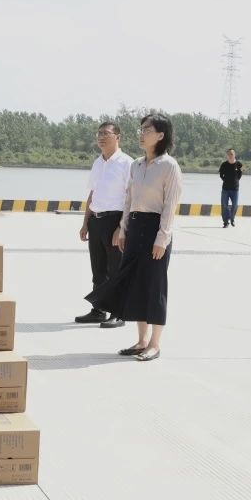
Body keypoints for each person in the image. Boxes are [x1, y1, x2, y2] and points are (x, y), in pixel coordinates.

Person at [85, 114, 183, 362]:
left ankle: (155, 344)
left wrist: (162, 238)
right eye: (141, 129)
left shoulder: (169, 166)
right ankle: (141, 341)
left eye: (147, 130)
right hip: (135, 226)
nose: (141, 134)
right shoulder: (136, 165)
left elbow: (170, 206)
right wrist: (123, 228)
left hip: (155, 229)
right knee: (137, 285)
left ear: (160, 135)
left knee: (154, 286)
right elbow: (128, 199)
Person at [75, 121, 132, 328]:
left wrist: (121, 227)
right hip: (96, 221)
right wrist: (85, 223)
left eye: (106, 133)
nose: (101, 137)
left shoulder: (127, 163)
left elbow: (131, 197)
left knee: (116, 269)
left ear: (118, 137)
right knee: (98, 269)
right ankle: (98, 310)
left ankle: (119, 312)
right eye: (99, 133)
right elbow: (93, 194)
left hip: (115, 220)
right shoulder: (98, 163)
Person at [219, 148, 242, 227]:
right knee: (224, 205)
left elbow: (240, 174)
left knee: (235, 205)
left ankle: (232, 219)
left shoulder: (239, 164)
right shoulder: (224, 164)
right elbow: (221, 175)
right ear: (227, 155)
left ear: (234, 155)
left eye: (231, 154)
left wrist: (235, 181)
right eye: (229, 154)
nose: (230, 155)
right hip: (225, 189)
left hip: (235, 189)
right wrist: (226, 180)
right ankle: (226, 222)